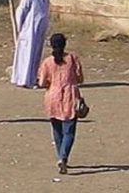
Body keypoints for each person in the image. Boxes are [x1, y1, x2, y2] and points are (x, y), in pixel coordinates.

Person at [36, 33, 84, 175]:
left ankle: (61, 157)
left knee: (57, 130)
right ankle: (63, 157)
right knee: (69, 131)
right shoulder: (73, 59)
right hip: (70, 96)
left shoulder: (47, 62)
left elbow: (42, 82)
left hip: (52, 97)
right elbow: (80, 78)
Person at [11, 0, 51, 87]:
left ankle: (32, 79)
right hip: (28, 32)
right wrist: (21, 29)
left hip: (39, 32)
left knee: (35, 56)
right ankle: (23, 80)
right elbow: (21, 11)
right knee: (26, 56)